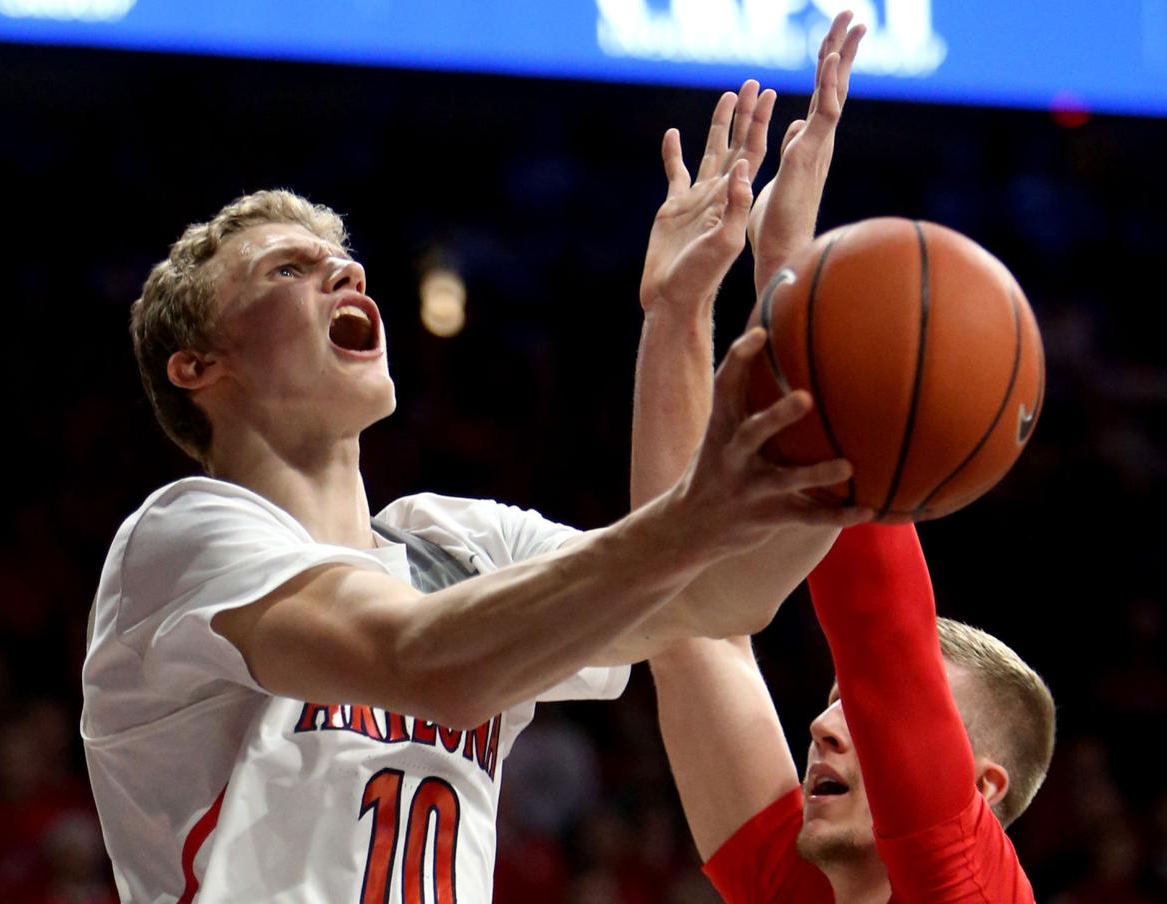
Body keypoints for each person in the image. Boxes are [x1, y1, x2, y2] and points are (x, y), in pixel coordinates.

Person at [79, 21, 870, 901]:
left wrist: (774, 314)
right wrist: (691, 524)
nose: (345, 274)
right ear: (197, 367)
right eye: (287, 271)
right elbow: (426, 662)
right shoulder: (182, 539)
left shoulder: (460, 543)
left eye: (345, 261)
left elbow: (715, 600)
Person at [630, 14, 1058, 904]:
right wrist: (678, 312)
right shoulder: (793, 884)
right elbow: (681, 618)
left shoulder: (970, 893)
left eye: (857, 707)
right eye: (835, 701)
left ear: (980, 791)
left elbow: (881, 638)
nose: (823, 726)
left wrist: (791, 281)